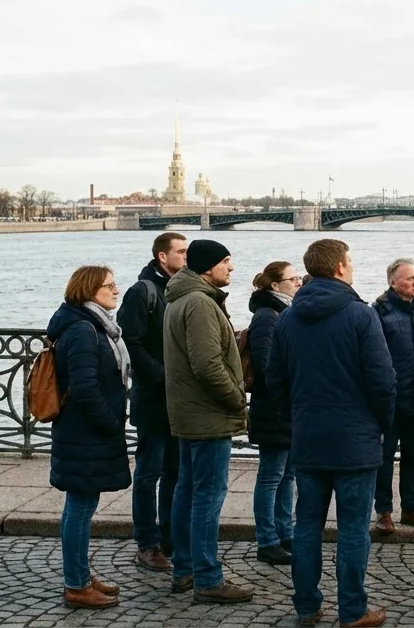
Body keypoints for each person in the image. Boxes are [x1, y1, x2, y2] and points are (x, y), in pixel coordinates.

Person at [266, 238, 394, 628]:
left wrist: (296, 416)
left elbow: (275, 379)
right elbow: (382, 381)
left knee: (306, 527)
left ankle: (307, 606)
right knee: (353, 530)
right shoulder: (360, 314)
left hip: (308, 437)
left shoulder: (288, 317)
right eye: (350, 262)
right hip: (355, 440)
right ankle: (353, 610)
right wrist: (381, 424)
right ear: (339, 267)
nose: (352, 267)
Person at [163, 239, 252, 604]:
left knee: (187, 491)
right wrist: (237, 399)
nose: (231, 269)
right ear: (207, 267)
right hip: (208, 416)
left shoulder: (180, 298)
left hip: (189, 412)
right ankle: (207, 578)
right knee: (207, 498)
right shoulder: (200, 303)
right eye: (226, 262)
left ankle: (184, 569)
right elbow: (206, 364)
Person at [47, 265, 131, 609]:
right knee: (80, 507)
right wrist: (112, 423)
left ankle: (79, 574)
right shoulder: (84, 330)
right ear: (88, 291)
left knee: (80, 506)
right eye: (109, 286)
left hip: (81, 430)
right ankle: (76, 584)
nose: (116, 290)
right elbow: (84, 387)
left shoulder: (87, 324)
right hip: (85, 431)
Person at [117, 232, 187, 572]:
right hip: (152, 397)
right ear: (163, 256)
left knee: (175, 471)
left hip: (178, 399)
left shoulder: (180, 289)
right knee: (149, 473)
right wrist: (161, 374)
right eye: (180, 251)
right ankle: (147, 542)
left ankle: (171, 538)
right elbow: (130, 340)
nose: (186, 256)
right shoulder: (142, 292)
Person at [372, 258, 414, 534]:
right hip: (390, 400)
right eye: (409, 278)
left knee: (413, 456)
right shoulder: (379, 313)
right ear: (393, 282)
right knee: (384, 459)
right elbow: (374, 358)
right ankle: (384, 511)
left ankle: (411, 507)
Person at [246, 260, 302, 566]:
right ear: (275, 286)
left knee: (288, 475)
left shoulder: (286, 312)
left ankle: (285, 533)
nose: (297, 282)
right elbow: (266, 363)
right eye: (292, 279)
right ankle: (266, 539)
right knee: (271, 476)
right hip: (273, 407)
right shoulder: (267, 315)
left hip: (288, 407)